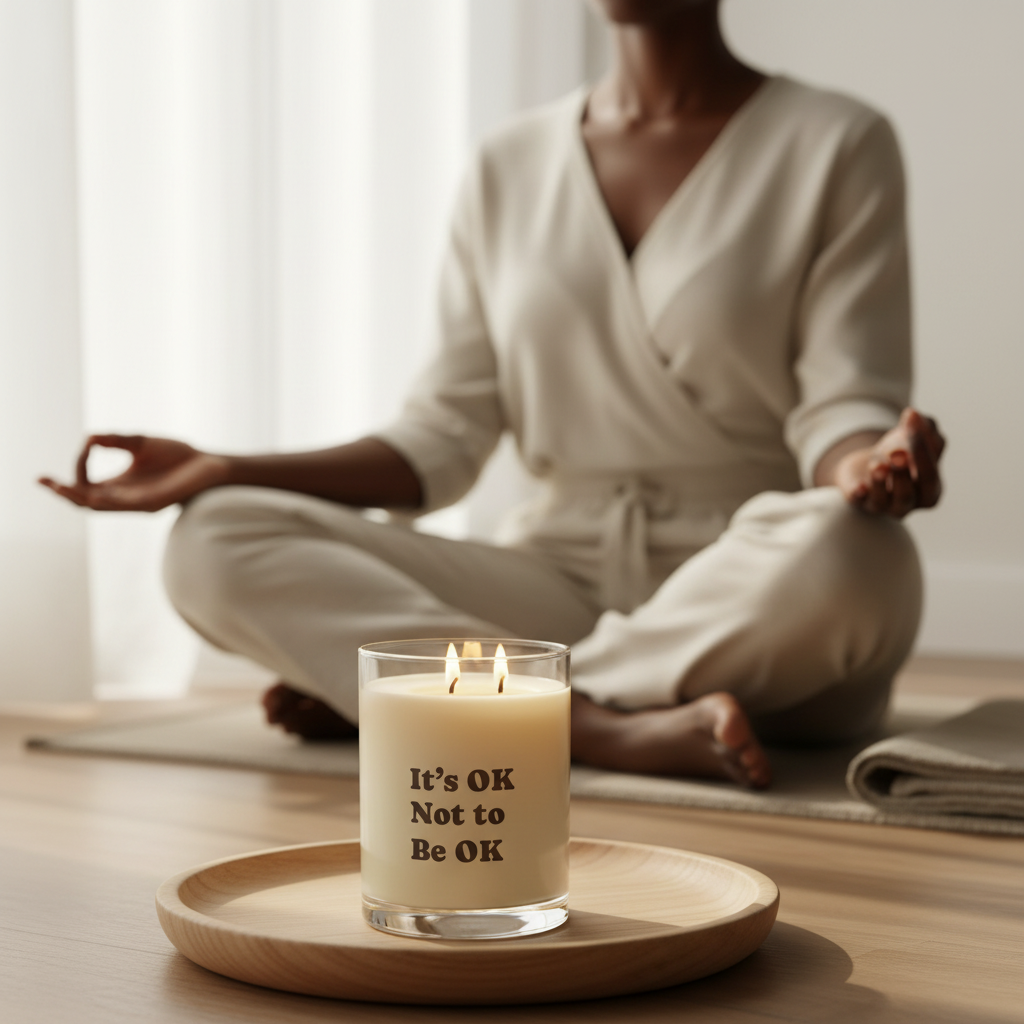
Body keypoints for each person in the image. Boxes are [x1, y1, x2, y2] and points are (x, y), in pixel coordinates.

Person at [41, 0, 944, 789]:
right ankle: (592, 726)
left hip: (754, 597)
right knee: (215, 535)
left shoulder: (837, 141)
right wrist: (223, 466)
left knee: (857, 555)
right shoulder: (507, 163)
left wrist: (874, 463)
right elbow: (442, 435)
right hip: (553, 578)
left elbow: (840, 403)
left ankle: (438, 698)